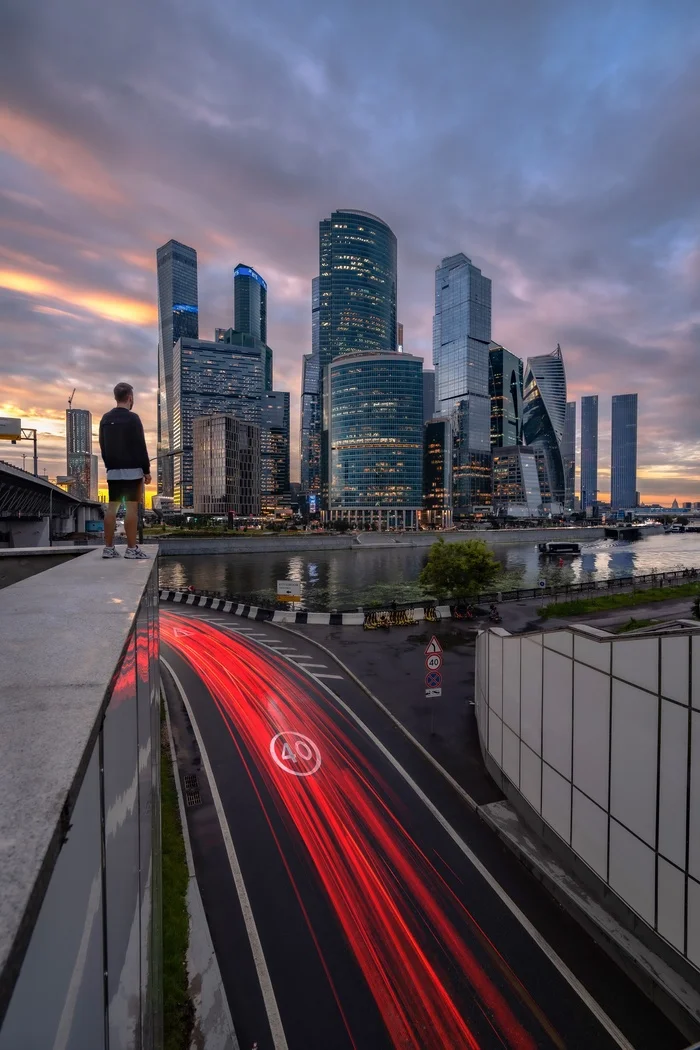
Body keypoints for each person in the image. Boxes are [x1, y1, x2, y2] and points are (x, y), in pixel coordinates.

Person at [99, 382, 151, 559]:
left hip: (113, 470)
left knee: (111, 509)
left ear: (115, 397)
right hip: (133, 471)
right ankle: (131, 549)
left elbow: (103, 446)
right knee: (131, 510)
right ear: (130, 397)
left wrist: (110, 465)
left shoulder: (105, 419)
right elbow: (140, 446)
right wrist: (146, 470)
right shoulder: (133, 418)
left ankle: (108, 548)